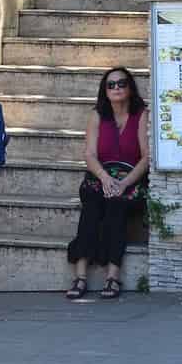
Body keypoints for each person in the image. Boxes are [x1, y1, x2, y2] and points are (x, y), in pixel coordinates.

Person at [67, 66, 152, 300]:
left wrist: (124, 183)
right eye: (110, 85)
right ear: (104, 90)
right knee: (92, 209)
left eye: (121, 83)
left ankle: (113, 276)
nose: (116, 88)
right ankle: (80, 276)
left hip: (130, 178)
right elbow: (89, 155)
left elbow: (146, 157)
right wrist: (105, 178)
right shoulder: (97, 115)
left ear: (130, 87)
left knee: (116, 208)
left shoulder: (141, 114)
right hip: (99, 177)